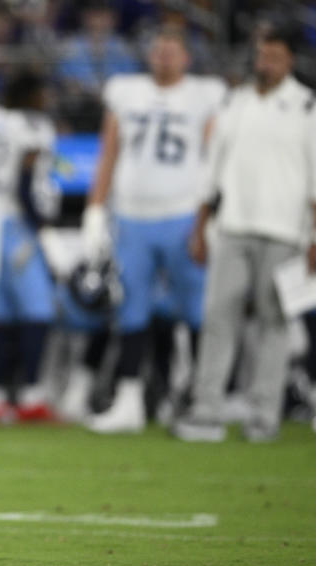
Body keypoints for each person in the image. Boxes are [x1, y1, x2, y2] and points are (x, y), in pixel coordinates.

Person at [79, 26, 226, 434]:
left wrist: (210, 215)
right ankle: (129, 401)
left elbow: (214, 159)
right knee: (131, 310)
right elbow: (109, 152)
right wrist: (94, 209)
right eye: (158, 49)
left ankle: (201, 398)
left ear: (187, 56)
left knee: (197, 310)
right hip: (131, 214)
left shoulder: (205, 94)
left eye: (172, 49)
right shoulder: (125, 90)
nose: (164, 56)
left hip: (183, 214)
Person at [174, 27, 316, 443]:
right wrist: (201, 226)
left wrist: (313, 239)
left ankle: (263, 418)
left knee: (274, 325)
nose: (264, 63)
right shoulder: (234, 101)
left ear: (290, 60)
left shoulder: (307, 106)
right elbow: (210, 170)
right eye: (261, 54)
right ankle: (207, 412)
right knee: (218, 318)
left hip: (284, 230)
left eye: (273, 56)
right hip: (233, 226)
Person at [0, 72, 60, 424]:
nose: (46, 100)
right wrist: (44, 228)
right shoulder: (32, 126)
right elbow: (24, 185)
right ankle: (30, 395)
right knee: (38, 312)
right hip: (13, 222)